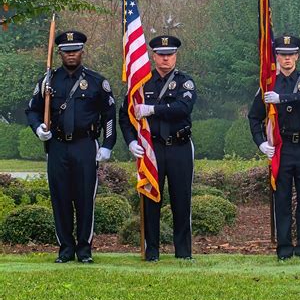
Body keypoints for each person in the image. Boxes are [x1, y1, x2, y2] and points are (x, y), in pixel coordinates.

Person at [26, 31, 117, 263]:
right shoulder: (48, 81)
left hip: (85, 145)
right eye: (66, 51)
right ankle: (65, 249)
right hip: (57, 146)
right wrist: (38, 128)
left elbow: (109, 115)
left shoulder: (97, 81)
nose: (71, 54)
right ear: (59, 53)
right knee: (61, 198)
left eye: (75, 50)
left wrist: (107, 144)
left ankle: (84, 250)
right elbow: (32, 110)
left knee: (85, 198)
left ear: (82, 51)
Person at [119, 35, 197, 262]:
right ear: (153, 56)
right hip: (150, 148)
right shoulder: (140, 84)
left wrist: (152, 109)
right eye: (161, 55)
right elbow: (125, 117)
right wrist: (131, 141)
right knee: (150, 199)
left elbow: (183, 108)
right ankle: (151, 251)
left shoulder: (185, 82)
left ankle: (183, 252)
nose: (165, 59)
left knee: (181, 200)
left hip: (179, 147)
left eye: (170, 55)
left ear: (176, 56)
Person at [248, 34, 300, 260]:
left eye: (291, 54)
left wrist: (283, 99)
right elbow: (254, 117)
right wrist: (261, 143)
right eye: (282, 54)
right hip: (282, 148)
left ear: (297, 56)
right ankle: (284, 248)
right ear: (276, 56)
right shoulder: (268, 84)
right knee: (282, 199)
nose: (287, 59)